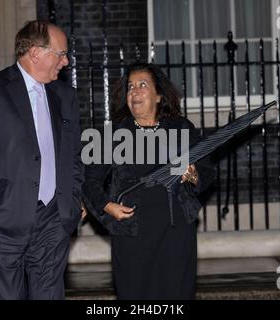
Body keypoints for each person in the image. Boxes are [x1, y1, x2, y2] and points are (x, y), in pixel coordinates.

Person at [0, 20, 83, 300]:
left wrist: (72, 200)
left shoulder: (65, 96)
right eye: (60, 54)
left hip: (53, 220)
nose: (66, 61)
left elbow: (73, 156)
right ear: (36, 53)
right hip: (2, 221)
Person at [83, 63, 215, 299]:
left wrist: (193, 173)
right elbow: (89, 180)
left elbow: (207, 172)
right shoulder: (113, 134)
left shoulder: (181, 128)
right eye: (131, 87)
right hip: (132, 238)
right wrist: (106, 206)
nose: (134, 91)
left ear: (159, 96)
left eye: (142, 85)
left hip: (175, 236)